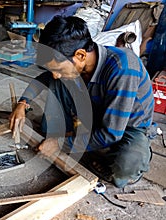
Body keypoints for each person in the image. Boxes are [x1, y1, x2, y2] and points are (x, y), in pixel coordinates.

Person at [9, 15, 156, 188]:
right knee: (57, 89)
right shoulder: (76, 64)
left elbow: (112, 133)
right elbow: (45, 79)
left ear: (80, 55)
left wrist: (59, 144)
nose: (55, 74)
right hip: (98, 112)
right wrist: (22, 104)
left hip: (127, 127)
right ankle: (83, 140)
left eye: (57, 69)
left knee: (124, 169)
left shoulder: (123, 68)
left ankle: (128, 152)